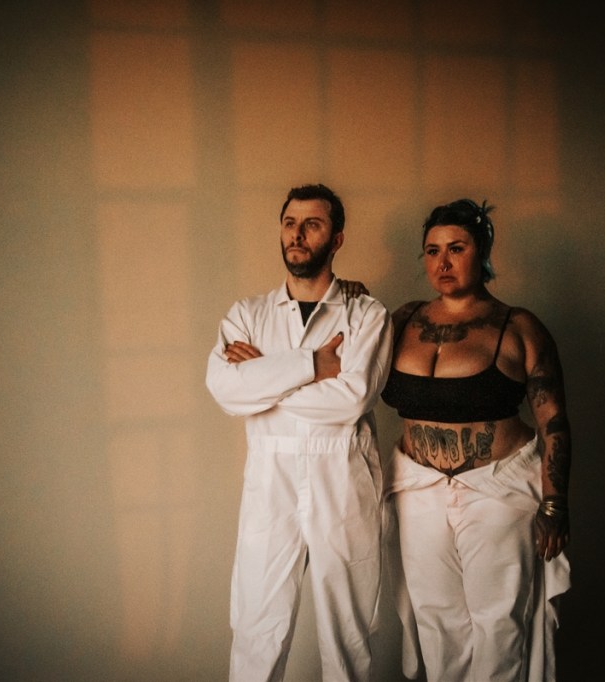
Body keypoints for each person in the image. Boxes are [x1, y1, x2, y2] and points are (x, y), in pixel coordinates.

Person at [205, 183, 394, 682]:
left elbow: (351, 399)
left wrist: (264, 378)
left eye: (313, 224)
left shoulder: (365, 314)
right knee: (256, 629)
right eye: (290, 223)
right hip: (271, 486)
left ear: (337, 239)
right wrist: (310, 365)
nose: (297, 234)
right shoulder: (247, 315)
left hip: (343, 482)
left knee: (348, 637)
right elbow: (225, 389)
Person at [379, 198, 572, 681]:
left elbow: (554, 422)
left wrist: (554, 504)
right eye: (432, 251)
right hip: (419, 490)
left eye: (456, 248)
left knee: (499, 620)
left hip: (497, 489)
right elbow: (343, 358)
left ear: (481, 251)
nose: (442, 262)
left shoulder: (519, 327)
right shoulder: (402, 320)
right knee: (435, 616)